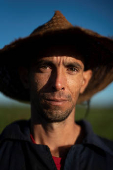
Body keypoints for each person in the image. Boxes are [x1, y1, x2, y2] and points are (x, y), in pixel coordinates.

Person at [0, 11, 113, 170]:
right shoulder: (3, 155)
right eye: (44, 67)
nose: (58, 83)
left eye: (72, 69)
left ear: (84, 81)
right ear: (26, 77)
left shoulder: (109, 158)